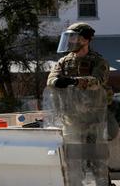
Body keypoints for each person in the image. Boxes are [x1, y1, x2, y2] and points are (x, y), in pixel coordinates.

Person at [47, 22, 110, 186]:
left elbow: (98, 81)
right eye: (69, 37)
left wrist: (75, 81)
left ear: (86, 39)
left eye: (74, 37)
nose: (70, 41)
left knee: (98, 160)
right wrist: (57, 81)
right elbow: (51, 80)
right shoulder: (63, 62)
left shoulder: (98, 61)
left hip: (94, 119)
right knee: (73, 161)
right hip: (72, 119)